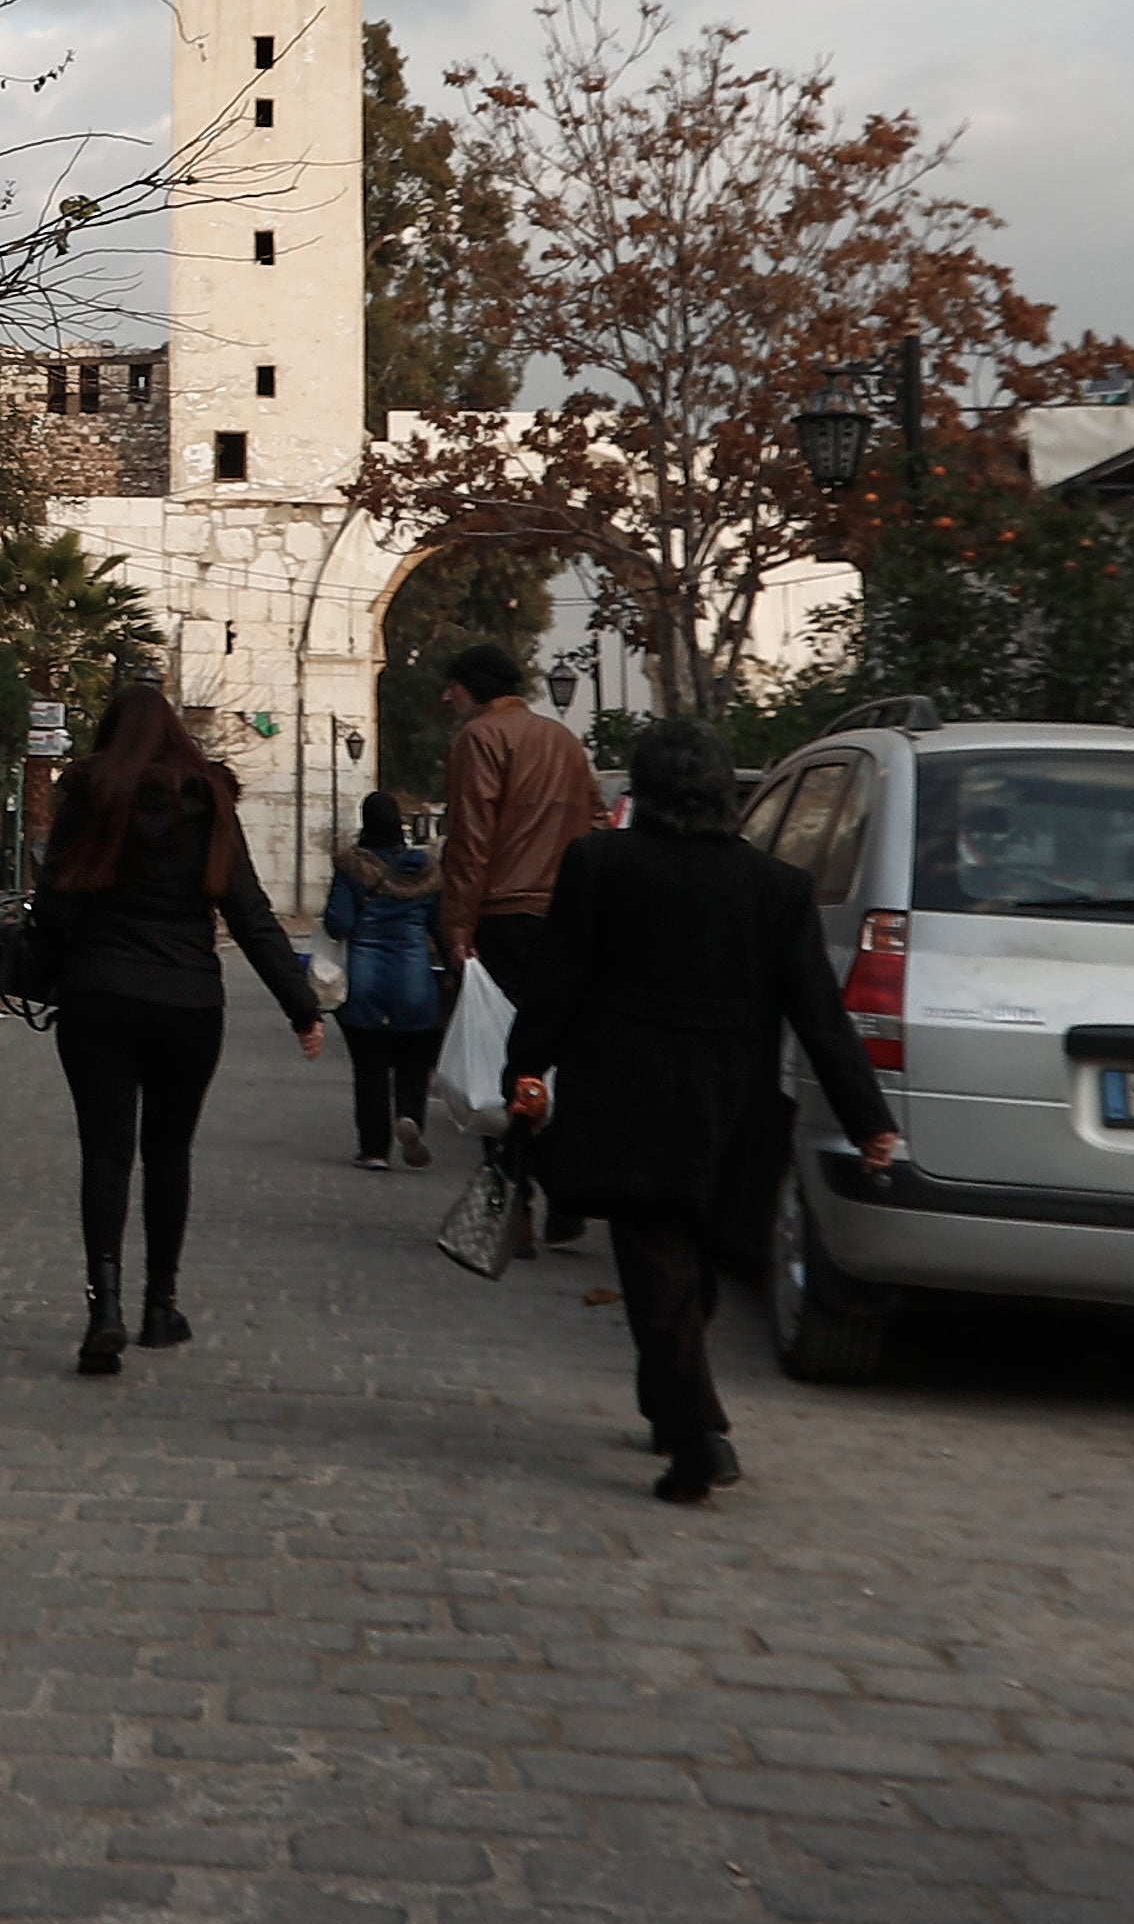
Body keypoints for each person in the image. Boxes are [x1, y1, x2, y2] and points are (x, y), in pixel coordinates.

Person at [504, 718, 899, 1503]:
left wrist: (526, 1067)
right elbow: (819, 1013)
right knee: (690, 1263)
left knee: (658, 1266)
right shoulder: (777, 888)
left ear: (644, 791)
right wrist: (869, 1120)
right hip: (731, 1102)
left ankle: (697, 1435)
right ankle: (673, 1406)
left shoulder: (598, 863)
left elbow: (560, 981)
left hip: (624, 1093)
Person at [30, 661, 326, 1375]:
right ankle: (161, 1304)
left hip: (100, 995)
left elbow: (57, 901)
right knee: (169, 1153)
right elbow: (250, 913)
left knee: (105, 1152)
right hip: (189, 1003)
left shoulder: (91, 793)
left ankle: (104, 1309)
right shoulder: (211, 801)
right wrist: (301, 1006)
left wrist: (42, 968)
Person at [432, 640, 606, 1243]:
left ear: (473, 685)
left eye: (452, 684)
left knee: (500, 1060)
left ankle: (513, 1204)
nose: (446, 696)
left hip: (504, 916)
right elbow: (596, 823)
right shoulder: (563, 741)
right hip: (565, 917)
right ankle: (567, 1196)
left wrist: (457, 926)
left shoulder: (480, 740)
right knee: (553, 1057)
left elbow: (470, 839)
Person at [321, 787, 447, 1167]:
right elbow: (439, 928)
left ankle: (374, 1149)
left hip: (365, 980)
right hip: (415, 981)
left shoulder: (351, 868)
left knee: (370, 1066)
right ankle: (410, 1116)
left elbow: (338, 922)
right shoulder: (425, 870)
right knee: (413, 1059)